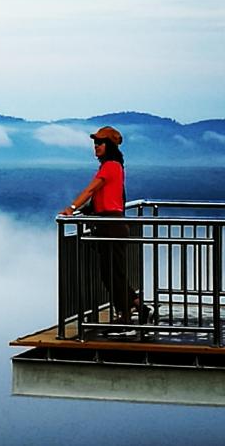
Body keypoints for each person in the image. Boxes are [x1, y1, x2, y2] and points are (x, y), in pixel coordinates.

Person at [59, 126, 149, 324]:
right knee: (113, 273)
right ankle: (135, 307)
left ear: (109, 146)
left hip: (110, 225)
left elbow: (90, 190)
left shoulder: (110, 166)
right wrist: (89, 210)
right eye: (95, 143)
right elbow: (104, 195)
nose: (96, 147)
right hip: (110, 224)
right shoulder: (114, 166)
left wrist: (72, 207)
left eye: (100, 143)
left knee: (111, 275)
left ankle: (127, 314)